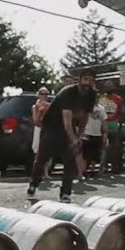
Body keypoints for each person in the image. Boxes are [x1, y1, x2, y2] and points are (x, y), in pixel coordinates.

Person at [30, 68, 97, 202]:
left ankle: (65, 193)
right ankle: (33, 184)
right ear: (79, 80)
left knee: (70, 160)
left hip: (69, 126)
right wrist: (73, 139)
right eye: (85, 79)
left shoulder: (92, 94)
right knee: (43, 157)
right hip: (52, 126)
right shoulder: (68, 92)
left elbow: (84, 118)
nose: (88, 83)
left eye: (91, 80)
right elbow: (66, 120)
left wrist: (79, 137)